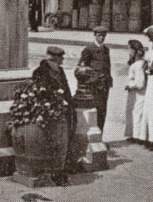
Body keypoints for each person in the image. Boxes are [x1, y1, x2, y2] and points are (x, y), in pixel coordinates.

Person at [31, 46, 76, 186]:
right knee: (52, 142)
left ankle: (59, 171)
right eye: (60, 58)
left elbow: (66, 89)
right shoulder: (40, 72)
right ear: (52, 58)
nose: (62, 60)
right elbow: (41, 93)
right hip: (50, 114)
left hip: (63, 111)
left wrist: (70, 105)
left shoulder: (60, 70)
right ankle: (52, 172)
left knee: (62, 142)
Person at [77, 25, 112, 133]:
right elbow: (81, 66)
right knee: (94, 110)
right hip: (94, 85)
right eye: (99, 35)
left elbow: (107, 66)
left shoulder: (106, 49)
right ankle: (92, 136)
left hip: (105, 84)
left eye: (103, 36)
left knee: (102, 111)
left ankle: (99, 136)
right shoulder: (89, 49)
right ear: (95, 35)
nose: (101, 38)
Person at [124, 39, 148, 144]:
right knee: (136, 113)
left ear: (134, 51)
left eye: (129, 50)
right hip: (140, 94)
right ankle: (136, 135)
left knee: (136, 114)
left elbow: (140, 83)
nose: (128, 52)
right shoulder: (142, 63)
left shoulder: (137, 65)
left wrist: (130, 85)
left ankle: (137, 136)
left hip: (138, 94)